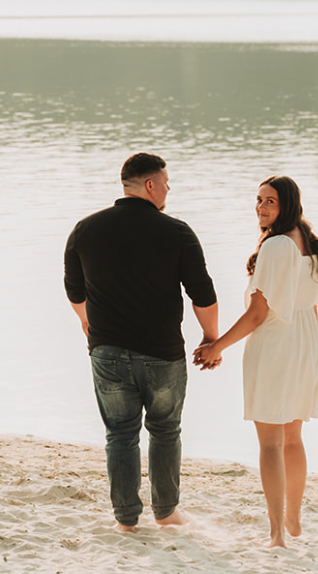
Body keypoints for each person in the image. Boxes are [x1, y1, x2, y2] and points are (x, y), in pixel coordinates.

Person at [63, 153, 219, 531]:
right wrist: (211, 337)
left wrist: (87, 324)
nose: (168, 189)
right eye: (165, 182)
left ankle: (126, 520)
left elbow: (74, 288)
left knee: (120, 434)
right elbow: (203, 294)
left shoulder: (86, 229)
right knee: (165, 431)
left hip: (107, 351)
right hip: (161, 353)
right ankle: (166, 513)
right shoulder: (177, 232)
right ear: (150, 185)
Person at [195, 175, 318, 548]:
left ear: (287, 204)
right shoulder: (307, 242)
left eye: (270, 201)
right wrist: (309, 351)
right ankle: (293, 518)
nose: (261, 207)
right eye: (258, 200)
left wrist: (217, 346)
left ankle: (276, 533)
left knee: (271, 443)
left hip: (276, 344)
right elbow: (310, 306)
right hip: (306, 342)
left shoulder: (276, 245)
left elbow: (259, 313)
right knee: (293, 438)